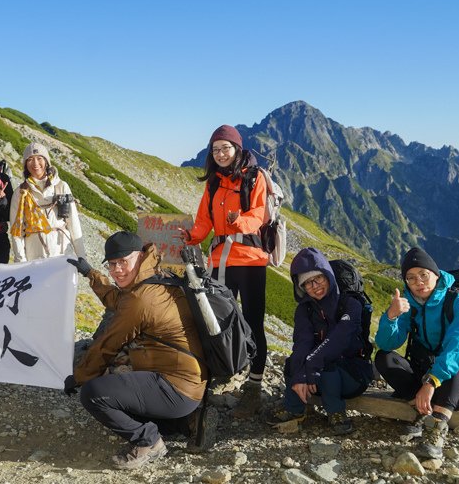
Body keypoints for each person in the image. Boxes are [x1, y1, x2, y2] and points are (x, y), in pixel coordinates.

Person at [65, 232, 215, 469]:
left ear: (139, 256)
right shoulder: (157, 276)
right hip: (191, 383)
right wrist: (91, 274)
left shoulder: (141, 299)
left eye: (123, 261)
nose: (116, 270)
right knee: (121, 381)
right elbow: (121, 301)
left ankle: (148, 441)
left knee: (94, 392)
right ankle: (186, 423)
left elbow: (106, 345)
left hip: (176, 388)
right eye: (112, 264)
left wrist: (78, 377)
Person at [178, 124, 269, 418]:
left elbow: (260, 215)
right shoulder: (213, 183)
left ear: (237, 149)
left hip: (251, 260)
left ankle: (254, 385)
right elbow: (205, 220)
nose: (220, 154)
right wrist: (191, 236)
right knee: (219, 319)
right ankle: (225, 370)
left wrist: (238, 221)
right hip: (221, 261)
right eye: (215, 149)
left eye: (225, 148)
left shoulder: (255, 177)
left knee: (253, 320)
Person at [374, 246, 459, 459]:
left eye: (424, 274)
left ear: (436, 274)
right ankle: (422, 412)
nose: (419, 282)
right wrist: (391, 316)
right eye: (411, 278)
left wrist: (431, 382)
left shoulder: (458, 302)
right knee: (383, 358)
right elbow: (387, 343)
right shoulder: (409, 305)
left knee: (454, 359)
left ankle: (436, 431)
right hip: (425, 380)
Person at [277, 248, 372, 434]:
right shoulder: (305, 309)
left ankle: (336, 413)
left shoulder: (350, 304)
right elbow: (302, 343)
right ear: (301, 288)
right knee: (292, 363)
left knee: (329, 363)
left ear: (328, 275)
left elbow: (338, 340)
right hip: (317, 377)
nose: (314, 286)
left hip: (353, 375)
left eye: (318, 278)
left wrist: (311, 367)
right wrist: (300, 375)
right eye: (307, 283)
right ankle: (294, 409)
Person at [9, 142, 85, 262]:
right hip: (34, 255)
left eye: (40, 158)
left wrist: (81, 257)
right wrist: (21, 261)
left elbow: (73, 223)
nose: (35, 164)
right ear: (25, 164)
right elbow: (17, 231)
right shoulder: (20, 193)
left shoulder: (61, 186)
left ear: (46, 161)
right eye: (30, 159)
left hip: (63, 252)